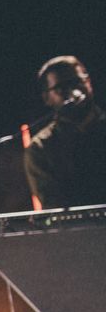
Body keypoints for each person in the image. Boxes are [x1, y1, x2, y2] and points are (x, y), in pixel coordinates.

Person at [24, 55, 106, 208]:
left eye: (77, 82)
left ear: (89, 83)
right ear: (47, 98)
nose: (73, 91)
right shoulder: (41, 148)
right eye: (61, 87)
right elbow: (55, 206)